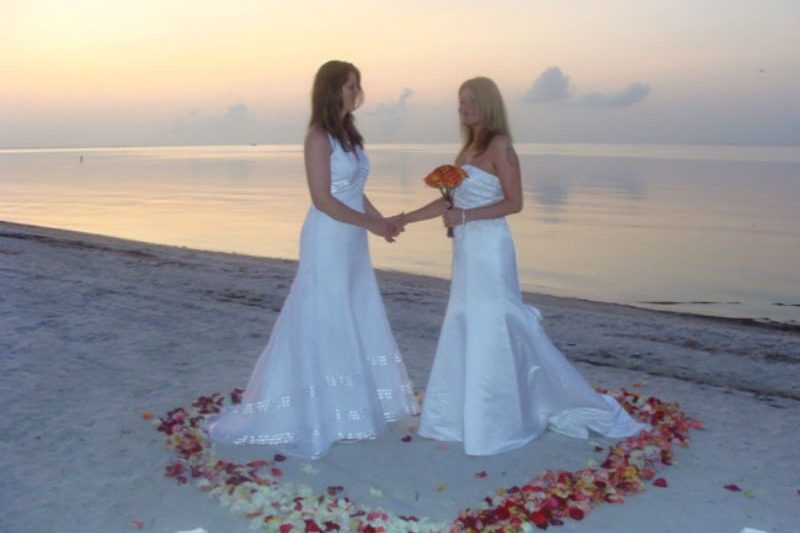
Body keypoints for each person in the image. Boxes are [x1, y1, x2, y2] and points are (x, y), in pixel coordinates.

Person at [392, 77, 647, 455]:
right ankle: (463, 412)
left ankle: (502, 414)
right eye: (460, 101)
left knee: (494, 319)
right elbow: (448, 205)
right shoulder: (466, 151)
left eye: (471, 101)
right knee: (466, 317)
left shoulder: (500, 146)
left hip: (490, 247)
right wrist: (402, 219)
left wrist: (465, 216)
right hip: (467, 249)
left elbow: (514, 203)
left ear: (488, 105)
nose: (463, 108)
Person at [208, 60, 419, 459]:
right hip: (328, 237)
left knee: (354, 310)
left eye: (359, 85)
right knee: (325, 313)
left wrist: (380, 221)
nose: (357, 92)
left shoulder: (349, 135)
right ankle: (325, 408)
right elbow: (323, 199)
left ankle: (355, 403)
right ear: (331, 90)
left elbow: (354, 189)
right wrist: (369, 224)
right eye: (350, 86)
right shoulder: (318, 137)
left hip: (352, 238)